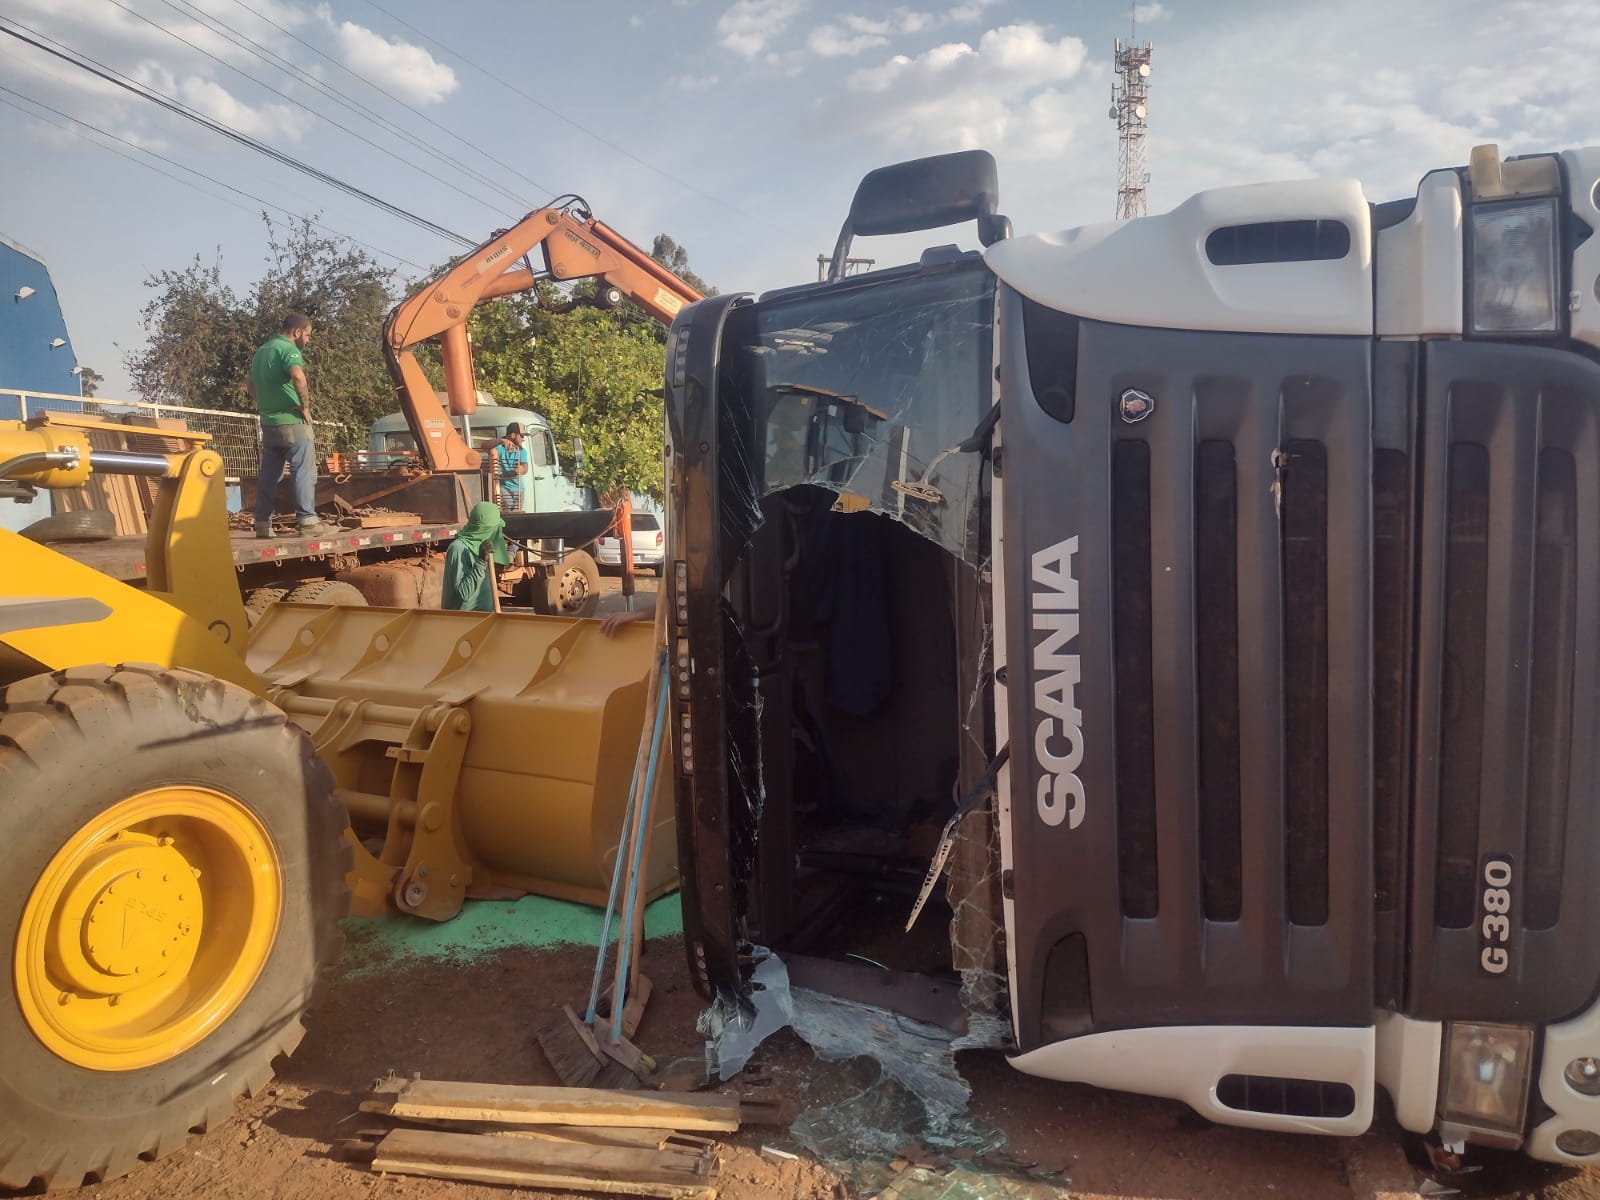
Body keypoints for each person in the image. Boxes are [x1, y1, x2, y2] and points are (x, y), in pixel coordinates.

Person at [248, 312, 327, 537]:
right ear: (297, 332)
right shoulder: (288, 349)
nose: (308, 340)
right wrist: (305, 407)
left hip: (269, 423)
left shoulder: (262, 351)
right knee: (302, 469)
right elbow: (298, 377)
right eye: (308, 335)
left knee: (269, 474)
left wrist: (264, 402)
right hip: (292, 422)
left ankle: (263, 523)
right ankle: (308, 522)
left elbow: (249, 381)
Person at [442, 502, 511, 611]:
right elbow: (463, 594)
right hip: (463, 622)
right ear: (485, 529)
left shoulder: (487, 547)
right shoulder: (458, 549)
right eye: (495, 528)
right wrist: (481, 562)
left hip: (486, 618)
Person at [492, 422, 529, 514]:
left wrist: (522, 469)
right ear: (513, 435)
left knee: (517, 514)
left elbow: (525, 466)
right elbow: (484, 445)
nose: (523, 439)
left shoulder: (522, 451)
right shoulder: (500, 448)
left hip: (519, 488)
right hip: (503, 486)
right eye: (521, 436)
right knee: (507, 510)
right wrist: (501, 441)